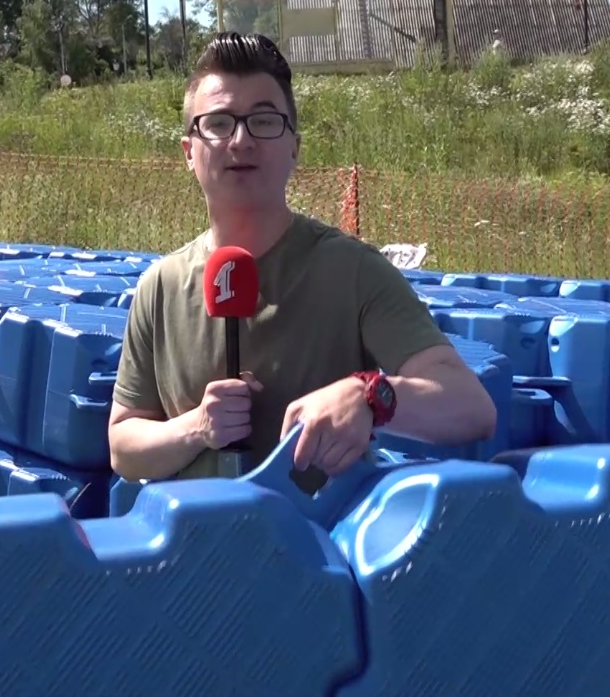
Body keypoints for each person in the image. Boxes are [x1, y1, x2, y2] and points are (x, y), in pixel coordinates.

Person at [107, 32, 497, 492]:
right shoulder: (160, 286)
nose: (241, 140)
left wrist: (369, 395)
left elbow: (471, 407)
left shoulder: (354, 272)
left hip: (316, 551)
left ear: (294, 145)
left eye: (265, 121)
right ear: (189, 152)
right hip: (195, 550)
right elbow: (123, 444)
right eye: (217, 124)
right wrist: (195, 428)